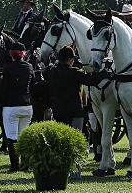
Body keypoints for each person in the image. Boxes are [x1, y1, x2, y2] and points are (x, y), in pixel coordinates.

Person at [44, 46, 110, 179]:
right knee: (75, 141)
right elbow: (92, 81)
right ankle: (75, 172)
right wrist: (105, 70)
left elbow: (46, 73)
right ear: (69, 60)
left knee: (61, 141)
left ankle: (61, 169)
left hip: (58, 109)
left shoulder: (52, 72)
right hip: (74, 111)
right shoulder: (74, 73)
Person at [0, 42, 34, 172]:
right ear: (24, 54)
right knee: (23, 136)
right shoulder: (29, 67)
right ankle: (25, 164)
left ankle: (14, 165)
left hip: (11, 106)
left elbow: (3, 89)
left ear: (11, 54)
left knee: (12, 137)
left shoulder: (7, 69)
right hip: (27, 106)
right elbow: (33, 86)